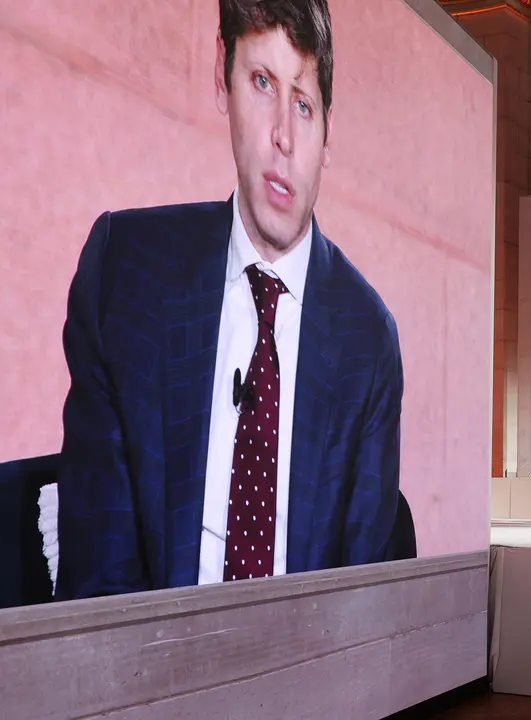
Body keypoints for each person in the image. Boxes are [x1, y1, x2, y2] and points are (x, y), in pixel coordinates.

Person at [55, 0, 404, 601]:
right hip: (146, 653)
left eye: (304, 104)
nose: (283, 137)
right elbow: (99, 588)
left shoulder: (367, 340)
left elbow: (360, 610)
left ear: (327, 132)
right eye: (262, 82)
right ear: (223, 77)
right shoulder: (126, 274)